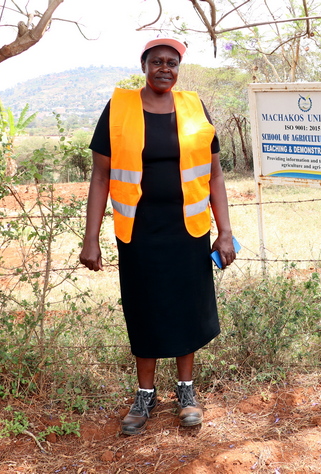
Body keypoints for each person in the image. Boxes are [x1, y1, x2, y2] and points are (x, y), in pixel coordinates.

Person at [79, 38, 236, 434]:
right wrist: (90, 238)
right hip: (138, 231)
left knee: (187, 306)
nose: (164, 68)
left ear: (178, 68)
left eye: (172, 62)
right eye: (157, 62)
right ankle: (144, 396)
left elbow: (215, 174)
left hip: (189, 230)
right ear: (144, 65)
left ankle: (186, 394)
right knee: (144, 308)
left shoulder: (194, 107)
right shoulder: (119, 108)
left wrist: (225, 232)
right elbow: (100, 176)